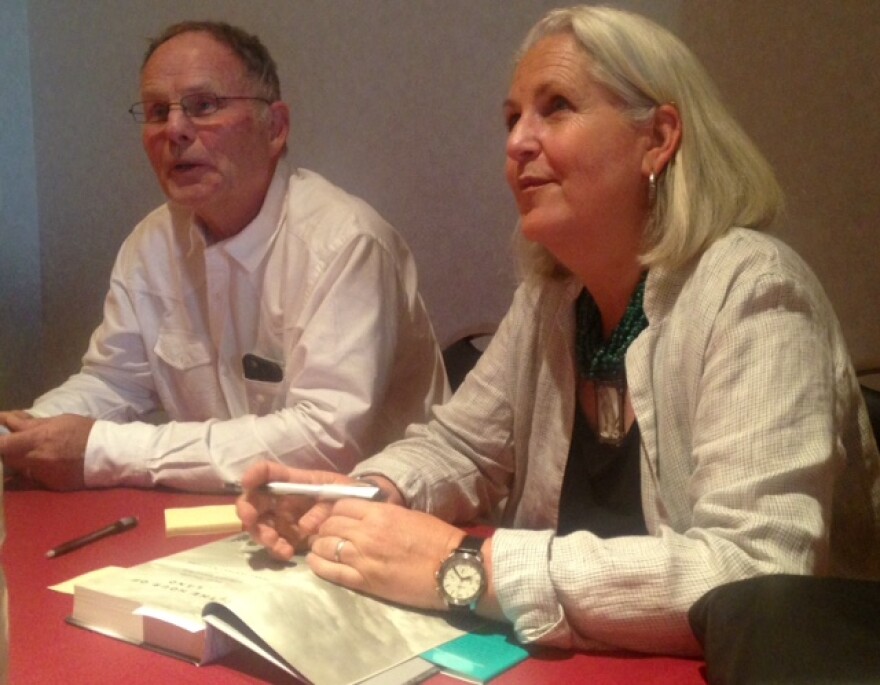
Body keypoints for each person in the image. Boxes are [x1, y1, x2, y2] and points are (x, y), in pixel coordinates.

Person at [236, 5, 880, 656]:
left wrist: (468, 568)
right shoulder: (552, 297)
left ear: (657, 138)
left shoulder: (755, 289)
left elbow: (757, 571)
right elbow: (462, 448)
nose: (517, 142)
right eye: (513, 117)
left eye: (557, 107)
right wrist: (367, 492)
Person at [0, 21, 448, 492]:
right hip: (225, 523)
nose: (174, 130)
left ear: (274, 128)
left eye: (204, 106)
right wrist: (25, 432)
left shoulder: (346, 243)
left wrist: (104, 450)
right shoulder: (151, 242)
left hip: (367, 522)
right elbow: (114, 383)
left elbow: (326, 441)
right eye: (157, 111)